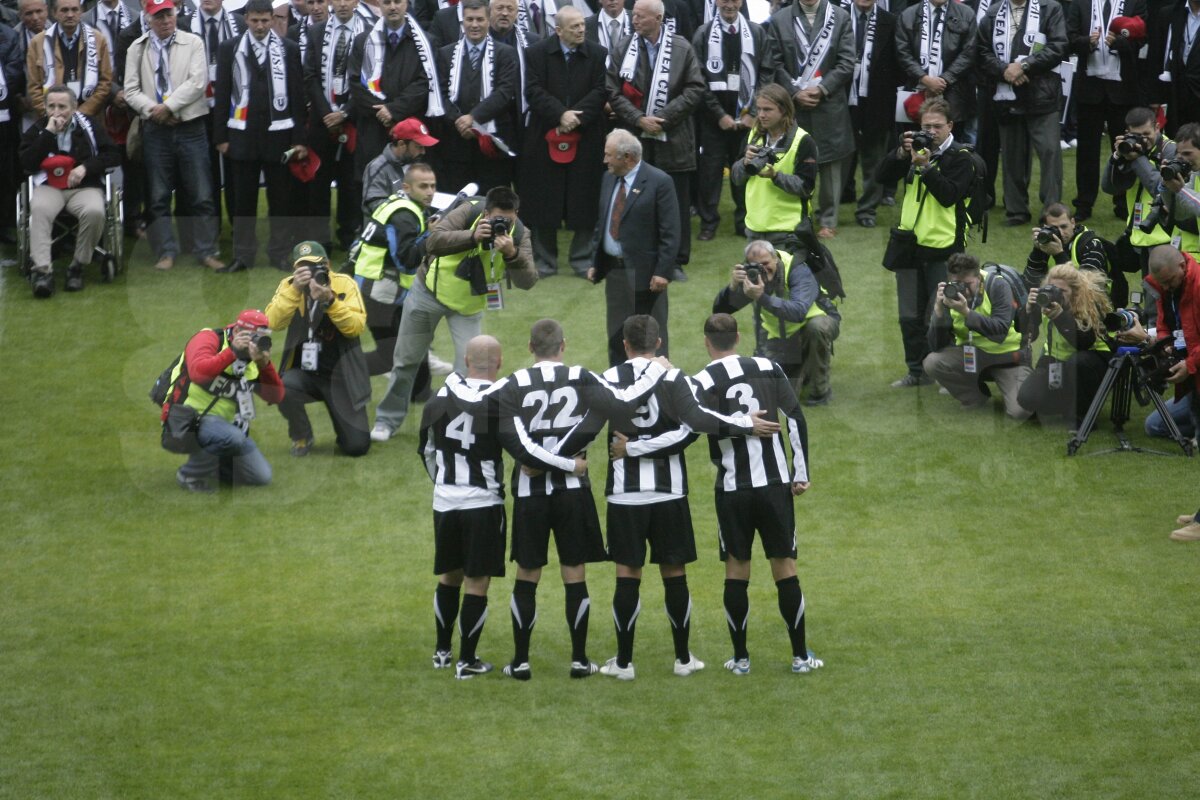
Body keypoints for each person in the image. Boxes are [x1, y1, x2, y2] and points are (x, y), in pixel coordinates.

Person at [439, 318, 672, 680]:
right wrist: (656, 371)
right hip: (573, 491)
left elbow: (514, 443)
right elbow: (620, 404)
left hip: (530, 494)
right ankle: (579, 660)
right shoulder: (581, 377)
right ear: (563, 346)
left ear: (530, 348)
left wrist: (538, 462)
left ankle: (521, 662)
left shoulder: (512, 384)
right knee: (574, 573)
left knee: (527, 573)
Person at [554, 315, 781, 680]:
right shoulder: (676, 378)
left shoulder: (609, 379)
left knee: (627, 574)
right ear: (658, 343)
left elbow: (588, 428)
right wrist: (743, 423)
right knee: (674, 574)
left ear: (624, 345)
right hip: (670, 492)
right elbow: (697, 423)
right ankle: (682, 659)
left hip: (625, 495)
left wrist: (557, 460)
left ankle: (625, 663)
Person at [419, 334, 589, 679]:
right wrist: (571, 465)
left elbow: (426, 452)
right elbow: (524, 452)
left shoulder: (436, 401)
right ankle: (467, 661)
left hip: (445, 499)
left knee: (449, 574)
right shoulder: (498, 403)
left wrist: (444, 482)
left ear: (466, 361)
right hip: (482, 502)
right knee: (476, 581)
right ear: (498, 363)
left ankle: (442, 651)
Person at [690, 313, 822, 676]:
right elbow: (794, 415)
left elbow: (692, 420)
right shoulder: (767, 366)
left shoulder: (702, 379)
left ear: (707, 341)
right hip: (775, 485)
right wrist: (800, 472)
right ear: (738, 337)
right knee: (785, 567)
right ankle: (799, 657)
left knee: (737, 570)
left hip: (733, 489)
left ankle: (741, 658)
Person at [371, 185, 539, 441]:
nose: (502, 223)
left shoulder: (520, 233)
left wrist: (512, 254)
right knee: (406, 360)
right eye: (496, 219)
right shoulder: (467, 212)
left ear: (516, 213)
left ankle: (456, 425)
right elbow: (433, 241)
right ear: (486, 212)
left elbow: (528, 281)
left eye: (509, 218)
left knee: (467, 369)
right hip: (427, 294)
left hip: (468, 306)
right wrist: (471, 237)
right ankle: (387, 420)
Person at [877, 97, 974, 388]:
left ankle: (943, 371)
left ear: (950, 126)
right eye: (925, 126)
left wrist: (928, 167)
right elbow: (881, 176)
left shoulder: (962, 157)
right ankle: (916, 372)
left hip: (943, 248)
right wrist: (900, 154)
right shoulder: (915, 151)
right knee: (908, 315)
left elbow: (949, 195)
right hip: (909, 245)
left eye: (936, 127)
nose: (930, 132)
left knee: (941, 315)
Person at [124, 0, 225, 273]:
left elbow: (197, 82)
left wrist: (167, 107)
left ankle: (207, 250)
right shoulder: (137, 48)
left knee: (202, 193)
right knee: (157, 195)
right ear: (148, 17)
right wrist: (154, 111)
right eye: (158, 16)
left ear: (176, 13)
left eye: (168, 14)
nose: (165, 20)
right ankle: (165, 251)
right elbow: (130, 90)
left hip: (190, 126)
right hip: (156, 130)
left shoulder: (193, 42)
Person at [606, 0, 703, 280]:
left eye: (640, 16)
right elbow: (612, 90)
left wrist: (663, 117)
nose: (634, 20)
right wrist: (638, 119)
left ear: (658, 18)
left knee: (676, 202)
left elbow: (695, 88)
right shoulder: (623, 48)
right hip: (636, 141)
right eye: (633, 15)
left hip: (674, 140)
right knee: (635, 199)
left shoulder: (682, 48)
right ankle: (635, 254)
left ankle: (676, 261)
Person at [213, 0, 309, 273]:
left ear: (273, 19)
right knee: (242, 201)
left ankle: (279, 253)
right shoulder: (229, 48)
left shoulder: (288, 49)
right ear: (246, 19)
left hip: (279, 136)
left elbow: (297, 95)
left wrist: (299, 138)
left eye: (265, 21)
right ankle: (243, 255)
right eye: (255, 20)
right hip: (240, 135)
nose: (260, 26)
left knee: (280, 199)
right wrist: (220, 136)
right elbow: (222, 95)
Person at [521, 5, 608, 278]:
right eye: (574, 26)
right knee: (544, 199)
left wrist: (574, 118)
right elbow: (533, 90)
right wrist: (560, 114)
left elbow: (600, 90)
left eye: (582, 24)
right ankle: (545, 261)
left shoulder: (597, 53)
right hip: (546, 134)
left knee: (585, 198)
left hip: (587, 136)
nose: (581, 29)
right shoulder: (535, 53)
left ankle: (581, 260)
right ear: (558, 30)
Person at [266, 241, 371, 458]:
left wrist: (330, 300)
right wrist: (295, 290)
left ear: (328, 265)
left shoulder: (344, 284)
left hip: (341, 377)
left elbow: (355, 327)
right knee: (282, 386)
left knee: (356, 447)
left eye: (315, 267)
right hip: (306, 373)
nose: (309, 273)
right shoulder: (289, 286)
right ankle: (302, 435)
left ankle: (345, 425)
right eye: (302, 268)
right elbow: (272, 323)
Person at [165, 309, 285, 494]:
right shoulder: (208, 338)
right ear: (237, 332)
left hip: (228, 426)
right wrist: (233, 352)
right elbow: (198, 373)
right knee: (233, 438)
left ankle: (214, 461)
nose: (258, 343)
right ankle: (189, 474)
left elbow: (276, 397)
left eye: (262, 338)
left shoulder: (255, 356)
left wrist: (265, 366)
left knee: (261, 477)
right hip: (191, 418)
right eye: (254, 337)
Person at [588, 129, 679, 368]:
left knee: (650, 333)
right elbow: (603, 219)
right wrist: (594, 262)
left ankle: (660, 383)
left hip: (647, 275)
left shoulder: (660, 182)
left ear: (627, 157)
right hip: (614, 271)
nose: (605, 160)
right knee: (617, 332)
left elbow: (671, 231)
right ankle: (619, 382)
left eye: (609, 155)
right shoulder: (608, 178)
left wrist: (663, 271)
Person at [765, 0, 855, 240]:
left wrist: (823, 89)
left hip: (829, 102)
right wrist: (795, 92)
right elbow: (774, 62)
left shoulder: (840, 17)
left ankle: (828, 219)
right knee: (793, 161)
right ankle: (794, 216)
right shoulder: (780, 19)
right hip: (793, 105)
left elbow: (847, 61)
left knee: (831, 163)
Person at [18, 84, 119, 297]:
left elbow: (112, 154)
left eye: (62, 106)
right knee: (39, 210)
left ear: (74, 108)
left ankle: (77, 266)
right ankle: (43, 272)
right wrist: (48, 134)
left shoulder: (89, 127)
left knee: (95, 211)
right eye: (51, 106)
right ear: (45, 108)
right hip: (49, 187)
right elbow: (26, 162)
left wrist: (86, 167)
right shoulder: (38, 129)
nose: (57, 112)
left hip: (83, 187)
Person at [713, 239, 840, 405]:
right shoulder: (752, 277)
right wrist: (732, 287)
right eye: (757, 266)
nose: (763, 269)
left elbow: (798, 312)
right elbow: (720, 312)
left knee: (816, 328)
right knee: (765, 392)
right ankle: (803, 365)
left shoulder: (797, 269)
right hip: (778, 336)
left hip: (814, 323)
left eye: (766, 263)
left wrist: (761, 297)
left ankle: (820, 391)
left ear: (776, 259)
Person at [976, 0, 1068, 227]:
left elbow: (1058, 45)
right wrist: (1004, 70)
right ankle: (1016, 209)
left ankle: (1051, 212)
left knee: (1049, 152)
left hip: (1041, 93)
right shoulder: (993, 12)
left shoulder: (1050, 8)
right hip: (1005, 92)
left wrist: (1025, 65)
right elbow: (981, 50)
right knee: (1012, 155)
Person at [354, 160, 436, 405]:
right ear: (406, 187)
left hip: (382, 290)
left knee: (416, 339)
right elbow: (407, 260)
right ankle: (343, 374)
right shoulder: (405, 216)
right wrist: (431, 235)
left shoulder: (398, 204)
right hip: (379, 296)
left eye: (433, 186)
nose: (430, 192)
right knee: (389, 355)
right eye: (424, 186)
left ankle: (420, 394)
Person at [691, 0, 768, 240]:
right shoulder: (703, 34)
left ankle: (744, 220)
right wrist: (719, 115)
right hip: (713, 119)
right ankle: (708, 222)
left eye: (735, 0)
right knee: (710, 172)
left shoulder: (756, 32)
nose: (729, 5)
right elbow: (698, 78)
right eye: (724, 0)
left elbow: (767, 72)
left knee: (744, 170)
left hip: (747, 120)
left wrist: (753, 112)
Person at [1138, 246, 1200, 540]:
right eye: (1161, 284)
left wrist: (1189, 364)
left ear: (1181, 265)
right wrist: (1164, 348)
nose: (1166, 288)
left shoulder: (1199, 285)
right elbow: (1166, 323)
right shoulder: (1169, 286)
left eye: (1170, 282)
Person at [1065, 0, 1147, 223]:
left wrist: (1120, 43)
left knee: (1124, 147)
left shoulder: (1134, 4)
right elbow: (1069, 39)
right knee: (1087, 151)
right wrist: (1086, 42)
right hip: (1089, 88)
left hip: (1123, 89)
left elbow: (1143, 40)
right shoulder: (1080, 4)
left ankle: (1122, 201)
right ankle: (1084, 202)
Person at [924, 252, 1032, 418]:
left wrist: (966, 312)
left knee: (1021, 412)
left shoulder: (997, 286)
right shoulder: (948, 292)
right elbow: (936, 346)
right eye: (957, 283)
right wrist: (938, 312)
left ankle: (1019, 384)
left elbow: (1000, 331)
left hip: (1008, 359)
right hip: (972, 356)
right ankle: (974, 397)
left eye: (968, 283)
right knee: (932, 362)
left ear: (978, 277)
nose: (963, 290)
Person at [346, 0, 441, 175]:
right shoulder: (363, 41)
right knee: (373, 184)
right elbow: (355, 82)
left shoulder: (426, 43)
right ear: (379, 5)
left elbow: (425, 81)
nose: (392, 7)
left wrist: (394, 110)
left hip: (411, 126)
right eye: (387, 2)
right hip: (373, 128)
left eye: (397, 1)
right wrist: (382, 112)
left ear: (406, 4)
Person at [435, 0, 521, 194]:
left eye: (480, 19)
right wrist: (458, 121)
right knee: (456, 204)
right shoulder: (445, 54)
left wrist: (473, 118)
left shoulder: (506, 54)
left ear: (489, 20)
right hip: (456, 143)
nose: (475, 25)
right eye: (470, 20)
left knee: (492, 201)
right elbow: (439, 95)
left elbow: (505, 92)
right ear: (462, 22)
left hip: (493, 145)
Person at [303, 0, 367, 251]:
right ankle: (321, 239)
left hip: (353, 119)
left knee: (350, 182)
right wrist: (327, 113)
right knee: (319, 182)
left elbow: (368, 77)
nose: (342, 4)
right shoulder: (316, 32)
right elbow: (309, 76)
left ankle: (349, 234)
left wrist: (345, 113)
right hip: (322, 120)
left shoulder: (367, 32)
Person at [1017, 264, 1113, 424]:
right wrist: (1027, 310)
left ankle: (1081, 414)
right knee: (1027, 398)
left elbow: (1084, 342)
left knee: (1077, 363)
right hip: (1056, 360)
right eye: (1051, 288)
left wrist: (1061, 316)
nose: (1056, 294)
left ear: (1075, 292)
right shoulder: (1046, 301)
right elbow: (1027, 334)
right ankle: (1063, 404)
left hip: (1093, 362)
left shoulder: (1087, 305)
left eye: (1062, 291)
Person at [729, 82, 818, 254]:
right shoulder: (753, 136)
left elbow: (806, 188)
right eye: (759, 109)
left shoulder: (804, 141)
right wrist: (744, 163)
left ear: (784, 110)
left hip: (788, 230)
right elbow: (736, 178)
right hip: (755, 227)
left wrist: (775, 176)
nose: (761, 115)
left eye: (767, 110)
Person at [1101, 106, 1175, 295]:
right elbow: (1109, 187)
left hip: (1165, 237)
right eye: (1136, 135)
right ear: (1127, 133)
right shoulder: (1130, 150)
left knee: (1161, 296)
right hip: (1140, 234)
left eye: (1146, 133)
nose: (1142, 139)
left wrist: (1137, 159)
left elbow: (1160, 187)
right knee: (1149, 293)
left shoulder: (1170, 150)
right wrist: (1117, 156)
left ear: (1157, 127)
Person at [893, 0, 977, 132]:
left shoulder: (966, 14)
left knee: (951, 145)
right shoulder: (908, 15)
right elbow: (902, 53)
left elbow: (969, 53)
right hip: (916, 91)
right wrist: (924, 78)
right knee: (917, 145)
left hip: (954, 93)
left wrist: (944, 80)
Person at [25, 0, 112, 117]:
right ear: (54, 13)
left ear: (81, 11)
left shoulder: (98, 39)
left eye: (74, 10)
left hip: (90, 118)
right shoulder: (38, 42)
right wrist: (53, 114)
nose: (70, 15)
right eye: (64, 10)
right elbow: (34, 88)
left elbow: (105, 83)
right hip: (51, 119)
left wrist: (81, 114)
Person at [1021, 201, 1111, 291]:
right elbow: (1029, 283)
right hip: (1058, 300)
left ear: (1072, 223)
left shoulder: (1091, 245)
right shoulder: (1047, 243)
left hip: (1093, 302)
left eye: (1064, 227)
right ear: (1045, 227)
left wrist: (1059, 254)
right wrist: (1037, 251)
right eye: (1054, 228)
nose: (1061, 232)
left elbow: (1085, 289)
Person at [360, 116, 439, 214]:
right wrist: (409, 207)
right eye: (418, 146)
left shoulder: (415, 165)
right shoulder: (377, 167)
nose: (423, 152)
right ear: (402, 144)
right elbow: (374, 205)